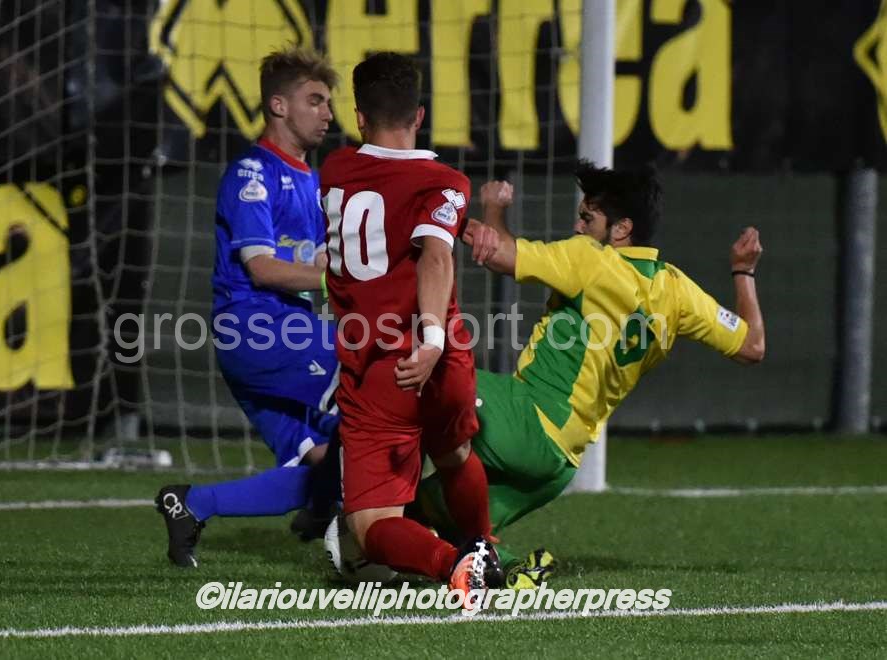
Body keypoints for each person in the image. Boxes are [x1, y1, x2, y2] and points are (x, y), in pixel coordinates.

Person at [412, 161, 765, 585]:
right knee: (435, 513)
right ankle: (513, 567)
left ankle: (344, 485)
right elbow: (752, 346)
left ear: (621, 229)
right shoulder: (676, 289)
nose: (578, 227)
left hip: (526, 420)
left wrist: (492, 207)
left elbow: (497, 252)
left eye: (588, 218)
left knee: (421, 372)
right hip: (560, 463)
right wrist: (743, 271)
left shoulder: (591, 260)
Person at [319, 52, 503, 600]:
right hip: (444, 360)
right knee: (455, 455)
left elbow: (427, 252)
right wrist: (433, 339)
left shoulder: (335, 171)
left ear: (359, 117)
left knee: (371, 527)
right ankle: (484, 549)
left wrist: (423, 341)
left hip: (380, 368)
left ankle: (452, 564)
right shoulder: (445, 182)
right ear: (419, 115)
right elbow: (433, 249)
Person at [156, 47, 341, 568]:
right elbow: (262, 268)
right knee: (382, 408)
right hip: (261, 329)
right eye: (316, 100)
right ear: (278, 106)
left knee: (319, 464)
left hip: (286, 334)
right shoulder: (252, 175)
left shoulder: (313, 180)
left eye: (328, 103)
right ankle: (369, 527)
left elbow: (320, 260)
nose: (328, 113)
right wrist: (339, 280)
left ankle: (192, 504)